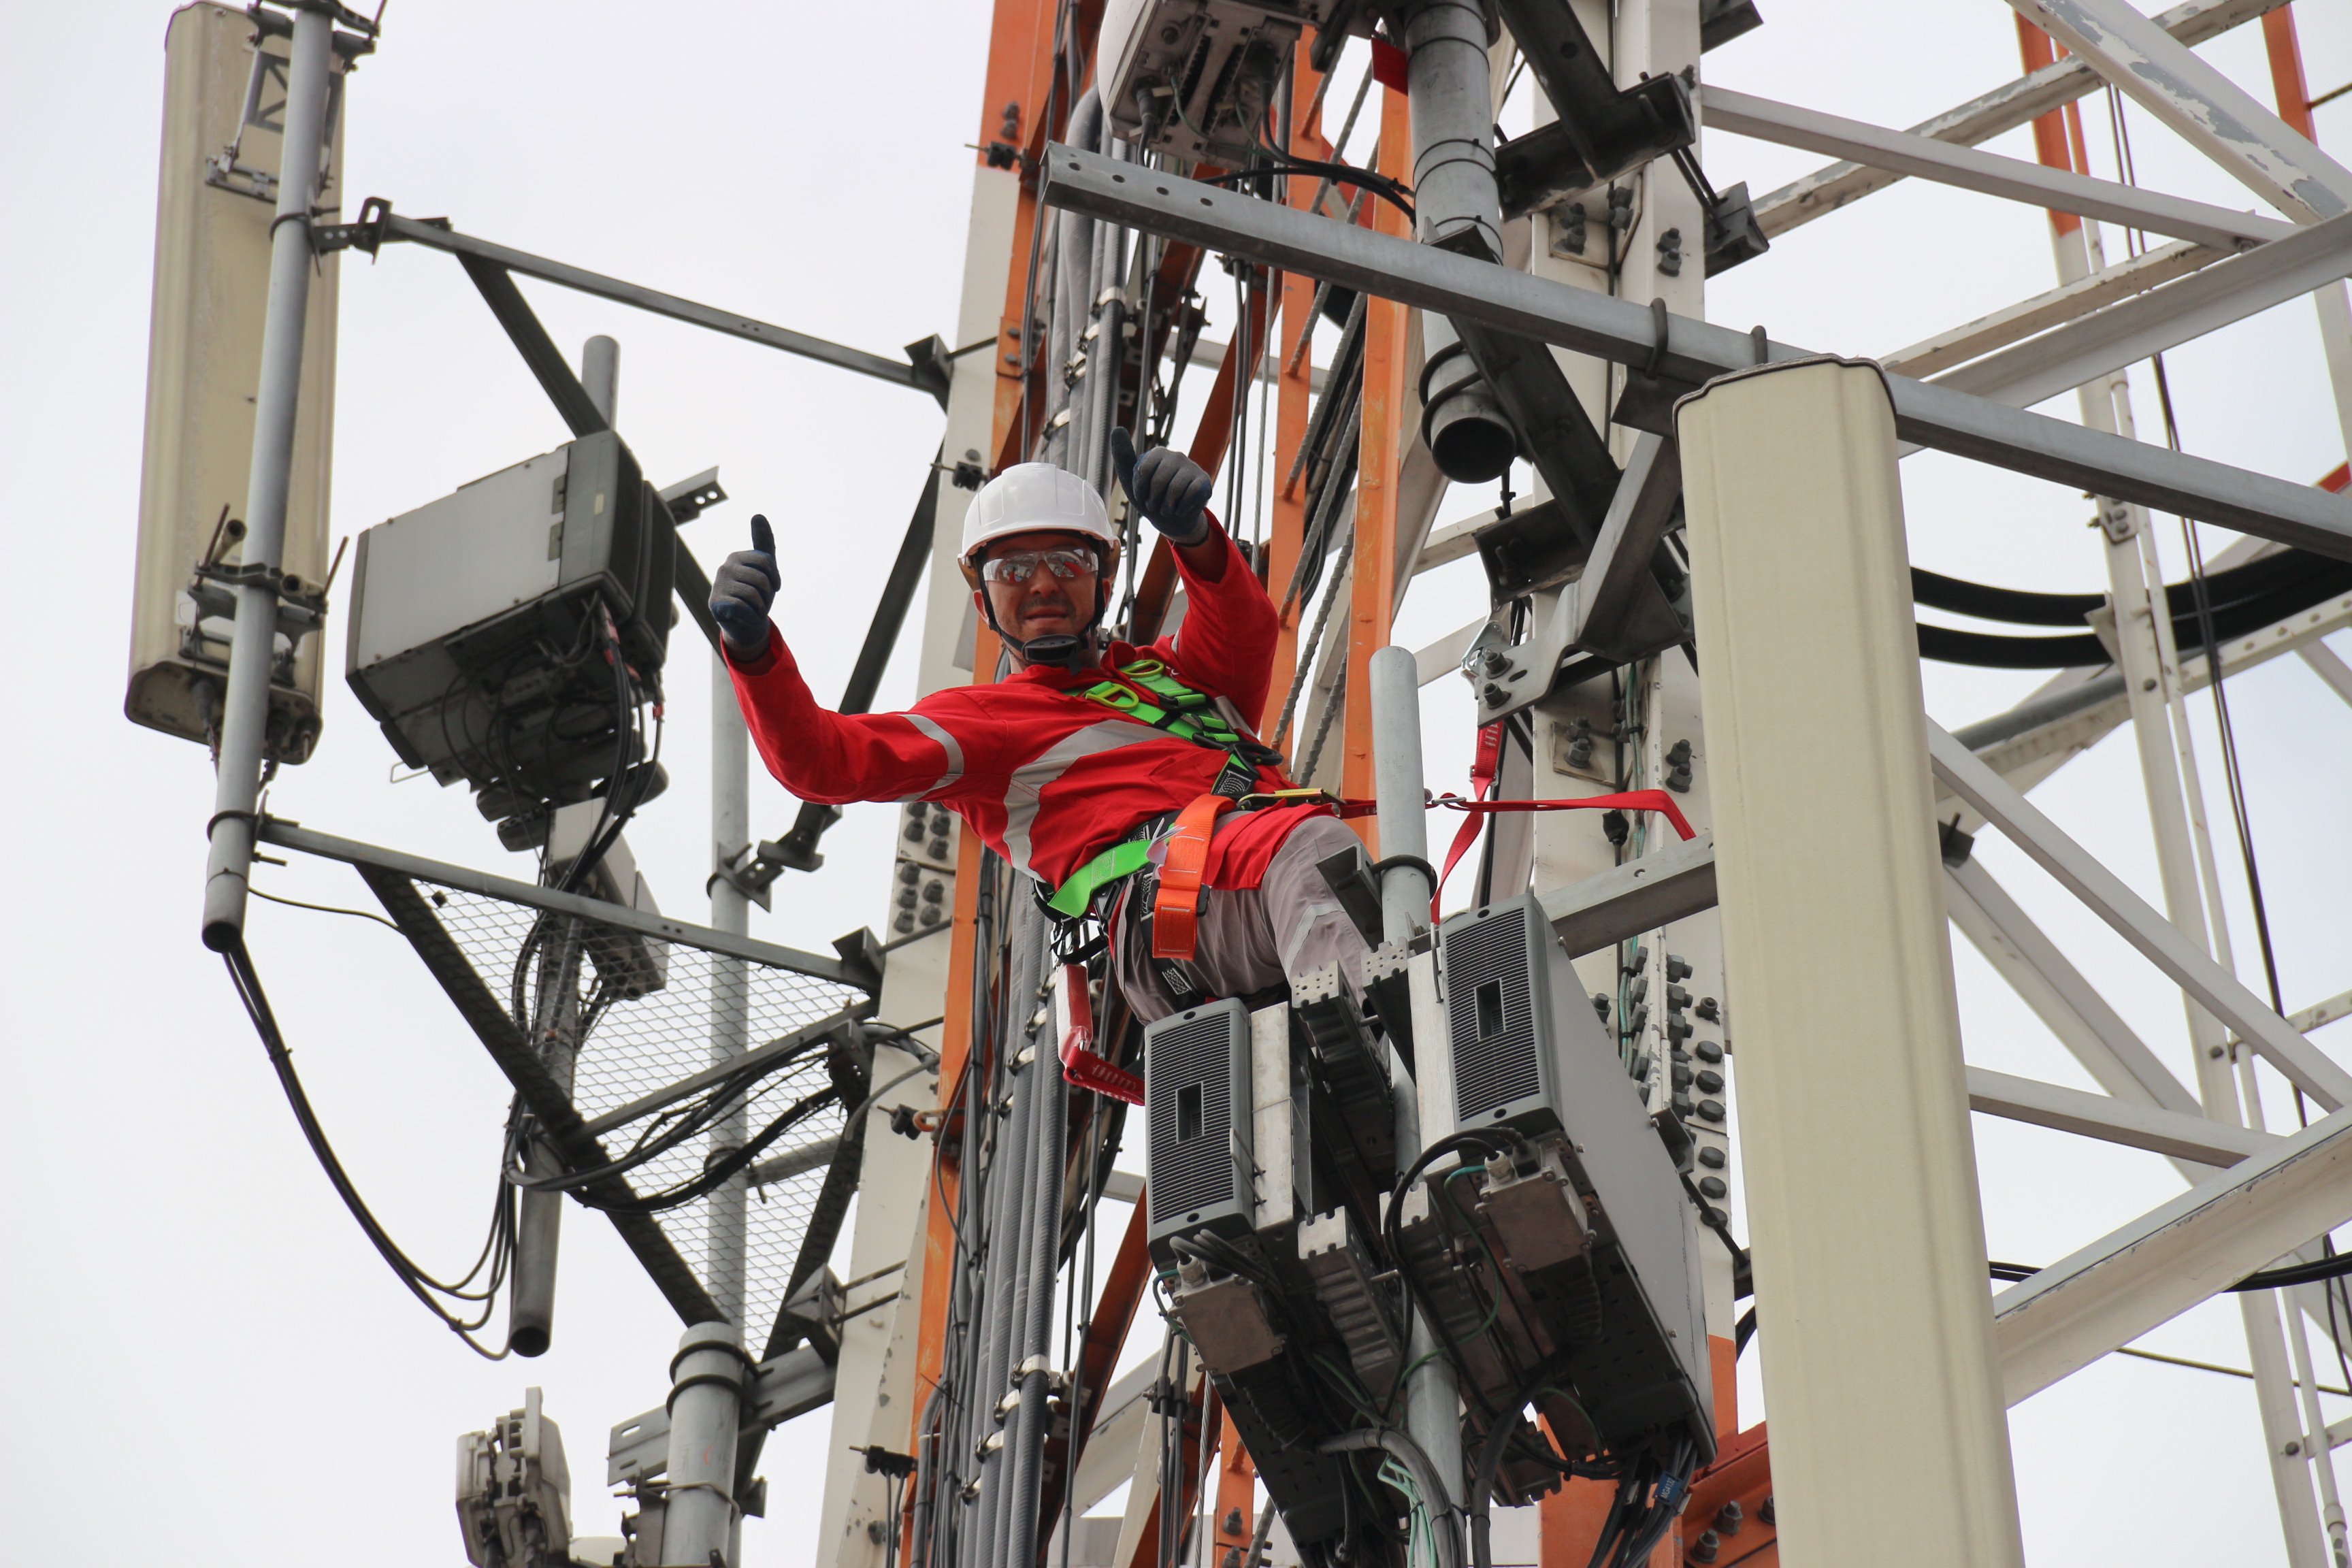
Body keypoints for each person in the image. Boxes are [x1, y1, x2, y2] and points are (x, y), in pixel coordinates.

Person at [707, 429, 1373, 1024]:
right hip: (1174, 911)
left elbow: (1245, 626)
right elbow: (824, 761)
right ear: (983, 599)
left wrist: (1195, 538)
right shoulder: (985, 725)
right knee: (1317, 852)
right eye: (1012, 570)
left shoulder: (1175, 680)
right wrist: (754, 651)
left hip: (1246, 888)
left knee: (1384, 884)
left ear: (1105, 581)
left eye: (1069, 562)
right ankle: (1394, 1035)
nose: (1043, 585)